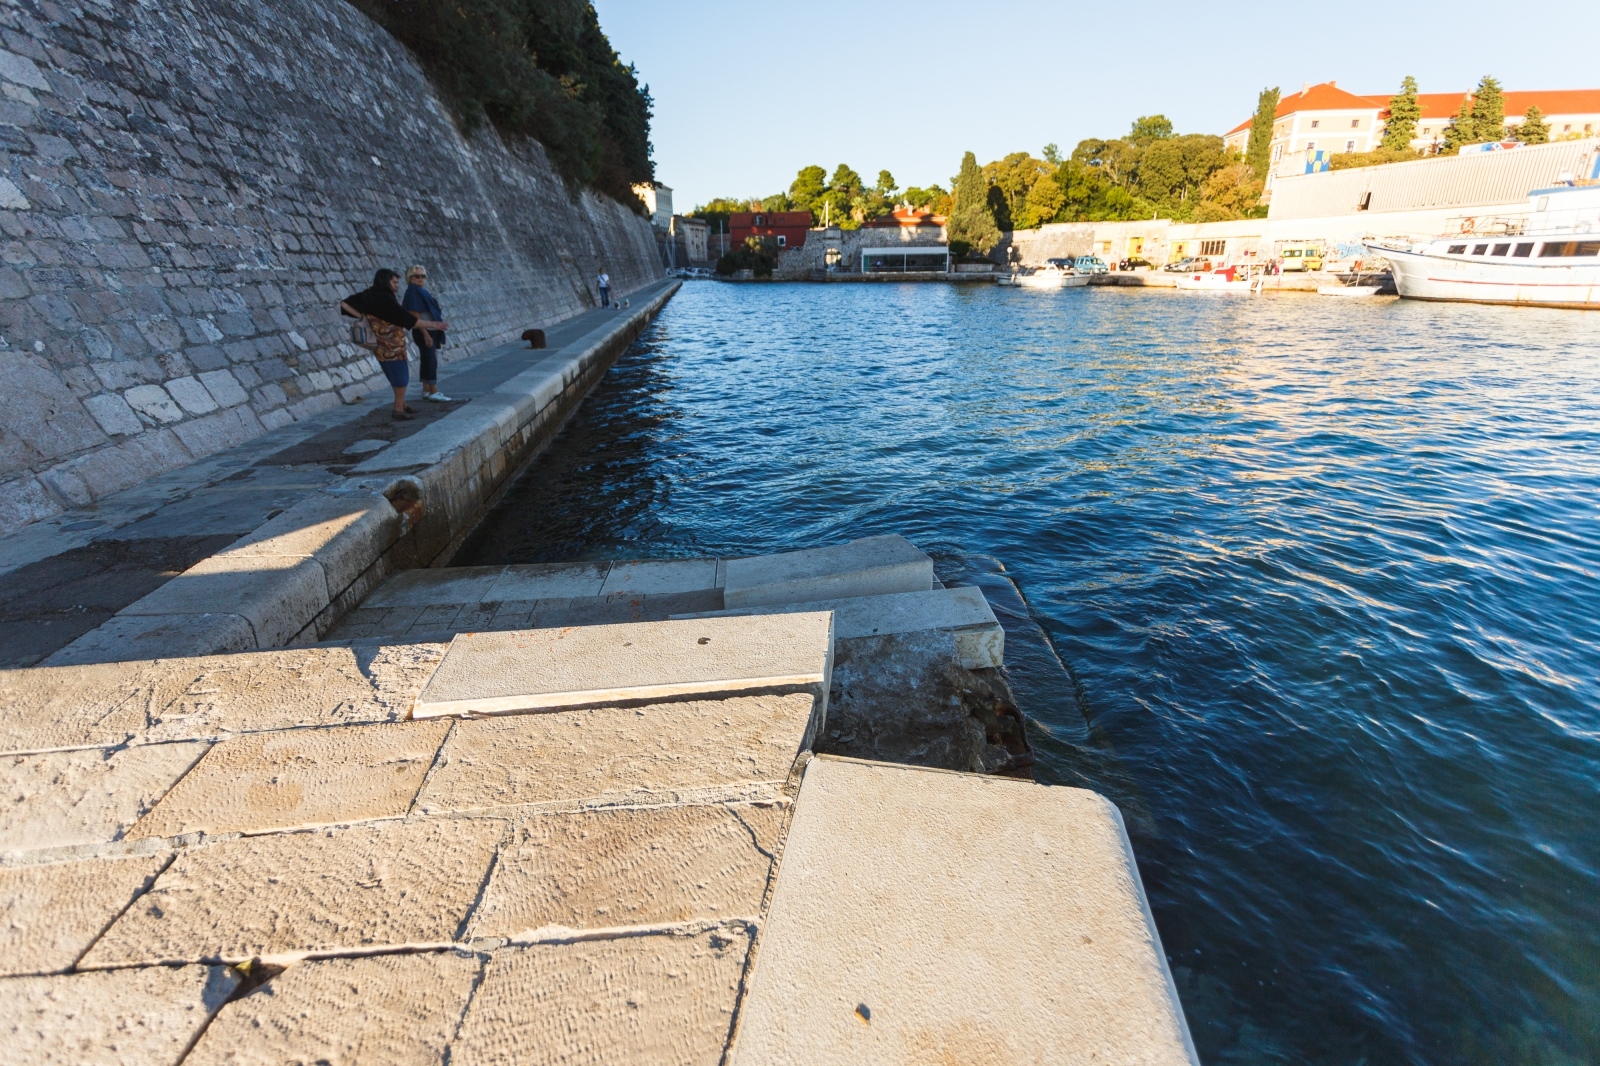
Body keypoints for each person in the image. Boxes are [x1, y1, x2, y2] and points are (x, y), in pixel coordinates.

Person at [340, 269, 447, 420]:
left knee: (395, 374)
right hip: (391, 345)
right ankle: (397, 409)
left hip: (383, 344)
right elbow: (408, 319)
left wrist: (364, 317)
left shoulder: (369, 294)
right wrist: (434, 324)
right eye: (395, 282)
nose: (397, 285)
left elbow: (344, 304)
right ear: (386, 281)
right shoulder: (384, 299)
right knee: (401, 377)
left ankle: (402, 405)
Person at [402, 265, 451, 402]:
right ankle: (433, 391)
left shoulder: (418, 291)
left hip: (430, 330)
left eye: (423, 276)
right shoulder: (412, 292)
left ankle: (426, 390)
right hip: (425, 330)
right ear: (410, 278)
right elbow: (414, 314)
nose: (420, 278)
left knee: (427, 359)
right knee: (430, 360)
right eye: (417, 276)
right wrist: (426, 334)